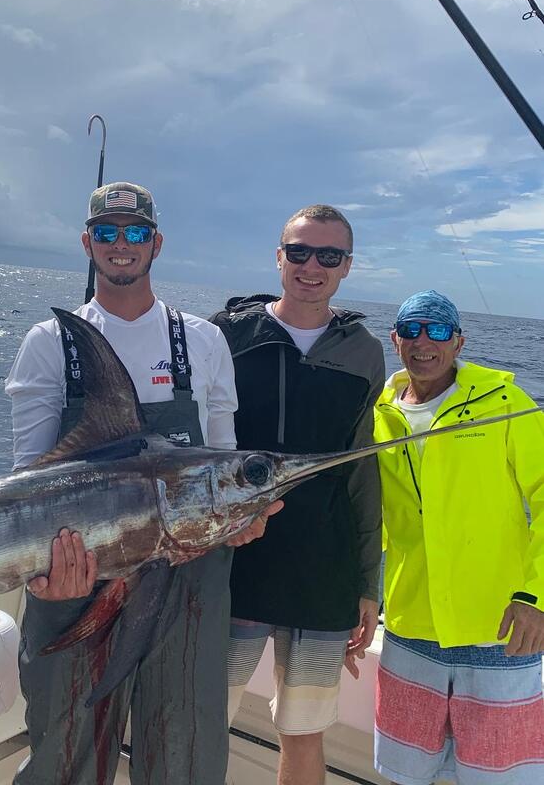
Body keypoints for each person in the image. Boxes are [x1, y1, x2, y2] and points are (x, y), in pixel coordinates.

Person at [5, 181, 280, 785]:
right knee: (65, 751)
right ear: (87, 242)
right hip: (77, 577)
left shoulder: (201, 341)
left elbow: (224, 462)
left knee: (183, 751)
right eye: (107, 233)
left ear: (156, 243)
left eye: (134, 234)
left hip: (188, 578)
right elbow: (28, 484)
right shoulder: (50, 343)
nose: (121, 245)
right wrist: (47, 578)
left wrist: (242, 515)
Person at [210, 204, 385, 785]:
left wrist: (367, 583)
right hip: (234, 563)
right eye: (301, 251)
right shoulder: (224, 334)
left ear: (346, 267)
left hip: (324, 572)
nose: (313, 266)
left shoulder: (364, 351)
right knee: (203, 713)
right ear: (279, 257)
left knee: (305, 731)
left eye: (329, 256)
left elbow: (364, 472)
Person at [372, 289, 544, 785]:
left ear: (459, 340)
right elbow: (375, 518)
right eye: (412, 329)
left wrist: (535, 595)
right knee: (406, 774)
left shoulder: (505, 402)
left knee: (500, 776)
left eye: (439, 330)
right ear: (395, 338)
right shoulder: (380, 412)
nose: (424, 342)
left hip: (498, 630)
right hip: (408, 627)